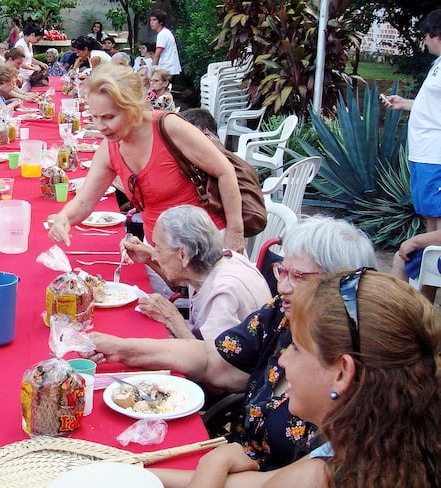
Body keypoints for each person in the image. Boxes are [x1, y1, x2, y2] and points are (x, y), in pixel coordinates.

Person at [84, 216, 377, 471]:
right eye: (282, 271)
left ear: (340, 285)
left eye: (299, 277)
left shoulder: (346, 377)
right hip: (229, 455)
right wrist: (123, 349)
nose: (284, 286)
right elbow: (216, 357)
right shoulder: (282, 313)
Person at [158, 270, 441, 487]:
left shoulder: (327, 474)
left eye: (295, 346)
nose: (282, 359)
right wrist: (134, 472)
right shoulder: (374, 448)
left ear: (342, 373)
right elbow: (260, 483)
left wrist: (213, 462)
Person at [48, 63, 245, 253]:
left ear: (132, 108)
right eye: (95, 117)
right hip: (160, 251)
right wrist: (63, 217)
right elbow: (84, 202)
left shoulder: (169, 127)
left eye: (109, 117)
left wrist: (235, 232)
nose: (100, 126)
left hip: (207, 247)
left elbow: (225, 171)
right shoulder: (109, 148)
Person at [122, 204, 271, 341]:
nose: (155, 255)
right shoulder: (216, 261)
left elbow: (214, 364)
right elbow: (177, 282)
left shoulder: (224, 293)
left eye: (159, 249)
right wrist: (148, 258)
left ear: (183, 255)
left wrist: (172, 318)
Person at [384, 9, 441, 234]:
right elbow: (432, 106)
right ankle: (429, 265)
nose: (424, 42)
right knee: (430, 213)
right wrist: (404, 103)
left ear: (437, 35)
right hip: (422, 153)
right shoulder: (437, 65)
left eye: (425, 36)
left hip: (435, 155)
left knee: (437, 215)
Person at [14, 23, 47, 92]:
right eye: (38, 39)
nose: (38, 42)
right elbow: (20, 63)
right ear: (32, 35)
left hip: (29, 75)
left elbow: (29, 58)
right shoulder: (20, 46)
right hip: (21, 76)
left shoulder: (29, 44)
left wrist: (40, 63)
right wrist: (33, 68)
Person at [149, 10, 181, 77]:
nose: (151, 22)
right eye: (151, 20)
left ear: (161, 22)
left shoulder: (162, 34)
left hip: (167, 68)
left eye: (154, 20)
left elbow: (157, 55)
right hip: (169, 67)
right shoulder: (165, 32)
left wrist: (151, 71)